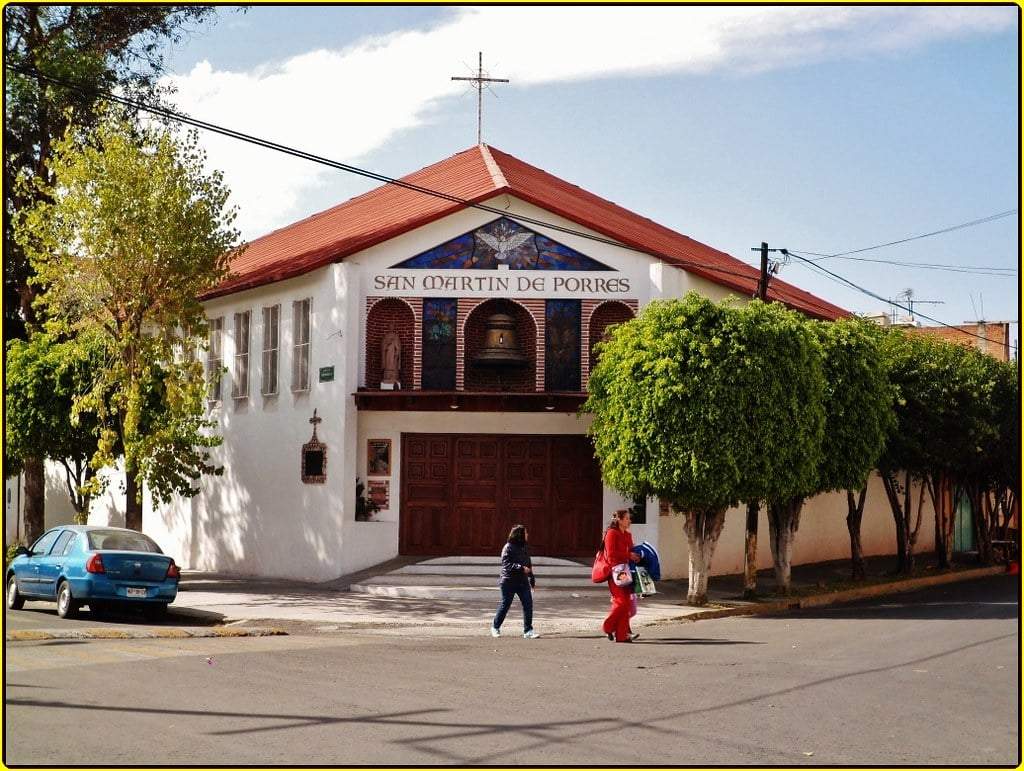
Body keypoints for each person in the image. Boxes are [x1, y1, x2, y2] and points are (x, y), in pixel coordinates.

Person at [491, 524, 539, 639]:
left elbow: (528, 564)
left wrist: (532, 579)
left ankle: (528, 631)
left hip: (522, 581)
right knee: (505, 604)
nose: (527, 535)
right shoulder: (508, 547)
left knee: (528, 604)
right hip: (508, 581)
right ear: (520, 534)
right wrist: (520, 567)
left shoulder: (525, 547)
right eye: (526, 533)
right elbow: (506, 564)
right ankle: (495, 627)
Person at [601, 509, 642, 643]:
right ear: (619, 519)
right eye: (627, 518)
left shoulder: (628, 535)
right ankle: (608, 626)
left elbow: (631, 551)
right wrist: (628, 555)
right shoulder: (611, 534)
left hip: (626, 571)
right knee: (621, 602)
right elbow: (611, 555)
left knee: (626, 603)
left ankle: (622, 635)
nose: (629, 521)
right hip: (615, 572)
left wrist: (636, 556)